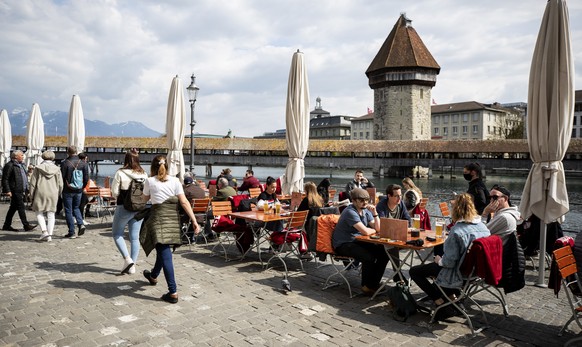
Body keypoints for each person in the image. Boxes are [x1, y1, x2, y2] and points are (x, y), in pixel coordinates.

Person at [409, 193, 490, 318]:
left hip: (455, 273)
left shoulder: (457, 230)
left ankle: (439, 302)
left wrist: (439, 260)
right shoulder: (483, 227)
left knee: (414, 271)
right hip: (475, 272)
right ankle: (453, 300)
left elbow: (449, 262)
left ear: (456, 210)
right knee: (436, 265)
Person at [140, 155, 200, 304]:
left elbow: (143, 200)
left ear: (153, 167)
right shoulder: (175, 181)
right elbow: (184, 202)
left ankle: (173, 291)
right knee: (163, 249)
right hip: (172, 221)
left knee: (165, 253)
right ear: (167, 166)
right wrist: (194, 221)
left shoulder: (149, 181)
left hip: (158, 220)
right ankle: (153, 276)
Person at [332, 188, 387, 295]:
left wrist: (375, 213)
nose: (365, 202)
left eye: (366, 200)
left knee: (383, 252)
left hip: (356, 241)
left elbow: (378, 229)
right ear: (353, 200)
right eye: (361, 200)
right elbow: (366, 231)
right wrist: (374, 230)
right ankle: (366, 286)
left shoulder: (366, 211)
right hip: (343, 244)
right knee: (368, 257)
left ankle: (374, 284)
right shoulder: (349, 212)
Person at [110, 150, 149, 275]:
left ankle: (127, 259)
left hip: (124, 207)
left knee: (117, 234)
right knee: (134, 237)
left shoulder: (120, 173)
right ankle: (132, 266)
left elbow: (114, 192)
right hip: (140, 208)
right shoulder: (144, 174)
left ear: (125, 159)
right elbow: (147, 192)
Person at [375, 184, 411, 280]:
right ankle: (398, 274)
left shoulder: (401, 204)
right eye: (396, 196)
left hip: (398, 236)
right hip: (382, 240)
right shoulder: (381, 206)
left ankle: (397, 274)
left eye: (400, 195)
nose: (399, 198)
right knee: (391, 246)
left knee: (414, 244)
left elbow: (408, 220)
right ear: (389, 196)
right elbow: (383, 224)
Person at [29, 150, 62, 241]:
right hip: (53, 193)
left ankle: (44, 232)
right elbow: (61, 184)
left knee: (39, 211)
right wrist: (58, 193)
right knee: (51, 214)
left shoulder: (38, 168)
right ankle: (50, 236)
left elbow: (33, 183)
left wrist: (31, 195)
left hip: (40, 192)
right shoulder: (57, 169)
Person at [2, 150, 37, 232]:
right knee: (21, 207)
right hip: (15, 189)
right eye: (21, 155)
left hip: (20, 189)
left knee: (13, 208)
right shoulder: (9, 165)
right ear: (16, 156)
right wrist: (7, 190)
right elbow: (5, 179)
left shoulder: (21, 165)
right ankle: (26, 225)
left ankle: (6, 225)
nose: (23, 156)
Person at [60, 146, 88, 238]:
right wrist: (81, 187)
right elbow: (86, 178)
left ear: (68, 152)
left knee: (68, 210)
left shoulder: (65, 163)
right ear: (76, 152)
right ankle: (80, 224)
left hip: (67, 190)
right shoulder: (83, 163)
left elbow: (62, 177)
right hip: (79, 190)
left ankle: (71, 232)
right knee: (76, 208)